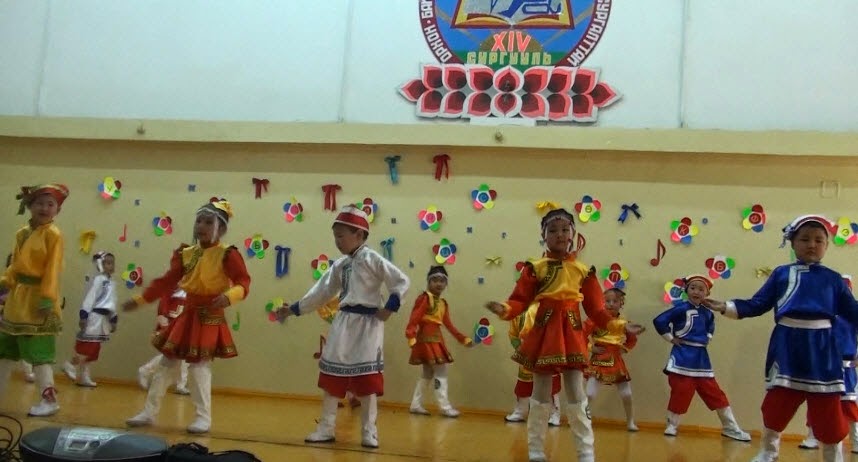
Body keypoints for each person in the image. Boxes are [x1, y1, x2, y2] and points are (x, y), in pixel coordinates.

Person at [485, 208, 643, 462]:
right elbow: (519, 300)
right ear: (544, 236)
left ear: (572, 234)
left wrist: (620, 327)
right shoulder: (535, 268)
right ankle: (536, 450)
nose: (559, 234)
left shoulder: (583, 271)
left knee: (576, 392)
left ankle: (586, 452)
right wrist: (505, 309)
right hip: (545, 331)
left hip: (571, 331)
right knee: (540, 391)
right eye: (553, 230)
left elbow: (596, 310)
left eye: (564, 230)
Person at [705, 215, 858, 462]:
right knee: (777, 404)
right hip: (787, 346)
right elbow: (758, 304)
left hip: (823, 351)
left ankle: (833, 457)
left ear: (826, 246)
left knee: (828, 407)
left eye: (818, 240)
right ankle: (768, 451)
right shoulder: (781, 274)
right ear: (793, 243)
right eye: (805, 239)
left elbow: (853, 312)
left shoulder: (834, 280)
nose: (812, 244)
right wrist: (726, 306)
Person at [278, 205, 410, 449]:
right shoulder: (340, 265)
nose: (337, 241)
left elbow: (401, 281)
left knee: (367, 381)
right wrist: (294, 309)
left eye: (341, 236)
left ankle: (369, 431)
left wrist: (390, 307)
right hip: (343, 323)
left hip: (368, 325)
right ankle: (325, 428)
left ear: (358, 235)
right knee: (333, 376)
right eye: (335, 237)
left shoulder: (372, 259)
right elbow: (322, 291)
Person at [123, 198, 250, 434]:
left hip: (210, 315)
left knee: (199, 367)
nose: (201, 226)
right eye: (199, 221)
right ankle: (149, 412)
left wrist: (229, 296)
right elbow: (166, 282)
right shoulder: (185, 253)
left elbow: (243, 282)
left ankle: (203, 417)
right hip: (187, 313)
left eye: (208, 222)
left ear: (221, 229)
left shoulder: (228, 254)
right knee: (166, 363)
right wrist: (141, 299)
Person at [652, 275, 750, 441]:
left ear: (707, 293)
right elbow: (659, 321)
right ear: (686, 290)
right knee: (681, 391)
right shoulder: (680, 308)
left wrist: (708, 337)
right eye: (692, 288)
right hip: (682, 355)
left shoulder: (708, 312)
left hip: (701, 358)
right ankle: (672, 425)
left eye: (700, 289)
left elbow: (711, 327)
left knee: (715, 393)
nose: (696, 292)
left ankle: (730, 427)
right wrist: (670, 338)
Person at [0, 184, 69, 416]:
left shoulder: (53, 234)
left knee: (40, 353)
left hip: (38, 299)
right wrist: (5, 282)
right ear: (30, 206)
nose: (45, 208)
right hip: (17, 300)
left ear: (57, 209)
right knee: (4, 349)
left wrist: (47, 299)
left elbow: (52, 269)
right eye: (40, 203)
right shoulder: (22, 233)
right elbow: (14, 265)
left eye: (50, 204)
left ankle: (49, 401)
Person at [406, 265, 473, 418]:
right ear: (428, 282)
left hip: (437, 338)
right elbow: (414, 318)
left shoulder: (443, 303)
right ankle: (444, 406)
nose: (438, 284)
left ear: (446, 284)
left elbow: (449, 325)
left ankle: (415, 404)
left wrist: (462, 338)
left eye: (442, 281)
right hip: (426, 339)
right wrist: (410, 335)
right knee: (441, 371)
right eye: (435, 280)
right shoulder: (424, 298)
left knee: (428, 373)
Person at [584, 288, 642, 432]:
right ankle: (583, 420)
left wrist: (624, 349)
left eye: (614, 301)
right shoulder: (594, 320)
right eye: (607, 301)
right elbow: (580, 334)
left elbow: (632, 340)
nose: (610, 304)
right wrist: (591, 347)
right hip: (598, 360)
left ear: (621, 303)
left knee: (627, 394)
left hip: (616, 360)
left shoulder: (624, 322)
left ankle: (630, 422)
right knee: (590, 393)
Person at [62, 251, 118, 387]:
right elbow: (90, 297)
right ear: (100, 265)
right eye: (107, 263)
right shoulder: (98, 280)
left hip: (103, 319)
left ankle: (84, 376)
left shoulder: (111, 283)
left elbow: (112, 302)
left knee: (94, 350)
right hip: (94, 318)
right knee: (87, 347)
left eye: (112, 263)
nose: (110, 266)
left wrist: (113, 319)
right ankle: (70, 365)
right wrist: (84, 315)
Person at [504, 302, 563, 427]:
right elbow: (513, 334)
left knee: (550, 386)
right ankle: (520, 412)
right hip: (526, 353)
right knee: (523, 385)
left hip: (546, 352)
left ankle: (554, 414)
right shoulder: (518, 312)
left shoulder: (548, 307)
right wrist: (519, 348)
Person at [137, 287, 190, 395]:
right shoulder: (172, 289)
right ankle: (146, 371)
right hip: (172, 324)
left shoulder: (193, 289)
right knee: (174, 355)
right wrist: (164, 323)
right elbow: (163, 305)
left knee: (182, 355)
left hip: (185, 325)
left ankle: (180, 384)